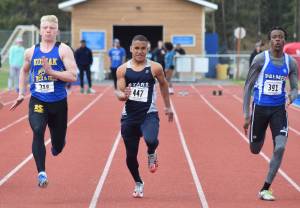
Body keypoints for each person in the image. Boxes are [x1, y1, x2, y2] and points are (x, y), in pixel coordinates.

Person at [10, 15, 77, 188]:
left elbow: (72, 75)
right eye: (45, 27)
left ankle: (58, 144)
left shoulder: (63, 50)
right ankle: (41, 173)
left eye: (51, 28)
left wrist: (52, 72)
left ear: (57, 31)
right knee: (38, 130)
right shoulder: (30, 52)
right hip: (38, 100)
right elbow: (24, 71)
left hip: (58, 103)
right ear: (40, 30)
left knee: (58, 145)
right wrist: (21, 93)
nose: (48, 30)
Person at [243, 27, 298, 201]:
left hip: (278, 110)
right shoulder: (261, 59)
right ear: (270, 41)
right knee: (255, 149)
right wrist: (246, 114)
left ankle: (265, 188)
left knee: (280, 147)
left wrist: (292, 95)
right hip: (259, 109)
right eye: (274, 37)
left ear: (284, 40)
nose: (277, 40)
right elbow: (248, 86)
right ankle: (258, 136)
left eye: (281, 37)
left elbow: (295, 87)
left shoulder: (290, 63)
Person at [115, 35, 173, 198]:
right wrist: (123, 95)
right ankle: (138, 182)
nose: (140, 51)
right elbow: (119, 92)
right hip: (129, 117)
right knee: (130, 156)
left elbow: (163, 85)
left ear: (147, 49)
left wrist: (168, 107)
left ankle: (151, 153)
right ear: (131, 49)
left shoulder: (155, 67)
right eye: (137, 48)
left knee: (151, 140)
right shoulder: (122, 69)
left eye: (143, 48)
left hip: (149, 114)